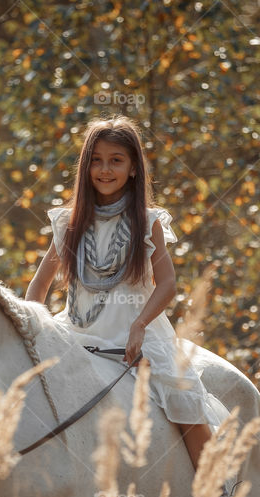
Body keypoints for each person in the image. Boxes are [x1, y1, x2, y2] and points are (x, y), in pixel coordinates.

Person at [24, 115, 228, 474]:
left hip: (136, 336)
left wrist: (140, 325)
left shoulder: (147, 222)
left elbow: (167, 284)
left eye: (116, 160)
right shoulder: (69, 223)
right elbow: (40, 285)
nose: (105, 169)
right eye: (96, 160)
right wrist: (30, 328)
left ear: (133, 168)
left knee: (183, 399)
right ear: (86, 167)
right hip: (77, 333)